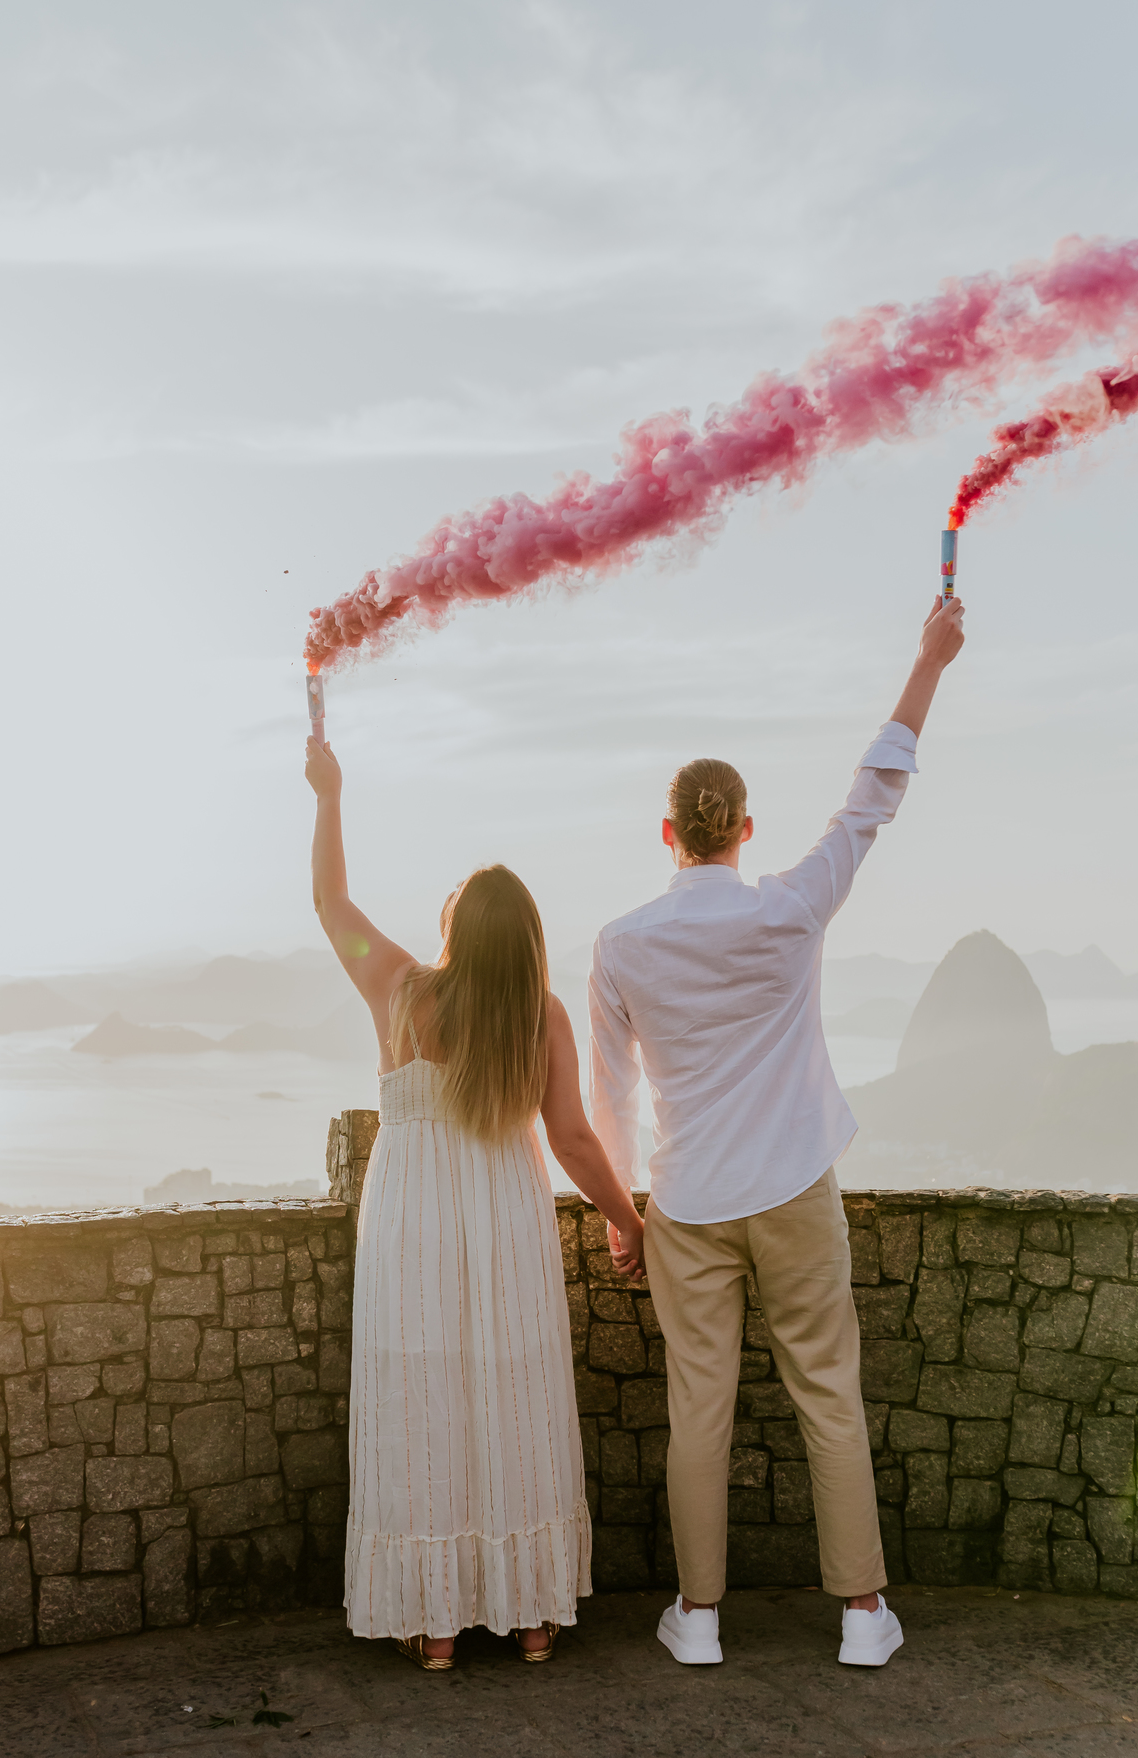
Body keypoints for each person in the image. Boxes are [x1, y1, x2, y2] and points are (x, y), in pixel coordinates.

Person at [588, 593, 966, 1669]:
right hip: (796, 1185)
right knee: (827, 1392)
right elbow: (870, 796)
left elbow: (608, 1093)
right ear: (744, 830)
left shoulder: (621, 947)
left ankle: (698, 1619)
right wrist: (928, 659)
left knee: (696, 1410)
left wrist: (623, 1215)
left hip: (691, 1203)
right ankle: (861, 1616)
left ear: (669, 835)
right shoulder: (790, 907)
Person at [304, 734, 645, 1671]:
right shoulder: (538, 1016)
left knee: (424, 1405)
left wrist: (329, 793)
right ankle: (535, 1618)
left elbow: (332, 904)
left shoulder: (403, 990)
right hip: (503, 1219)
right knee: (516, 1396)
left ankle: (440, 1625)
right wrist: (628, 1219)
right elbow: (573, 1140)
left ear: (457, 925)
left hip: (412, 1221)